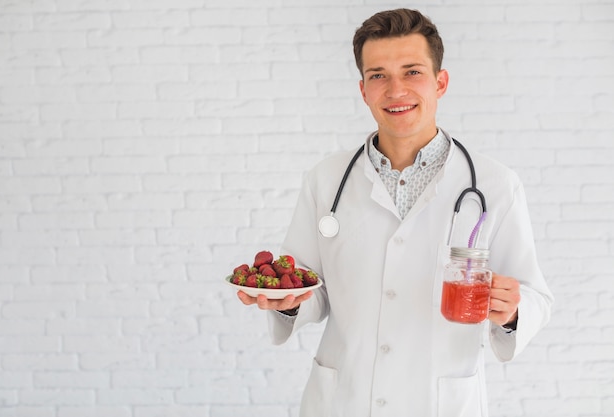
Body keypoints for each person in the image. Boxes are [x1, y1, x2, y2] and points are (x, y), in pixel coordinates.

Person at [237, 8, 553, 417]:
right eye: (378, 75)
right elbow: (308, 286)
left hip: (439, 401)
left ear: (440, 83)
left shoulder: (495, 185)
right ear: (363, 89)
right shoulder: (325, 179)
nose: (395, 89)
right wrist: (288, 302)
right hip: (343, 399)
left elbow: (535, 297)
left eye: (412, 72)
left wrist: (512, 311)